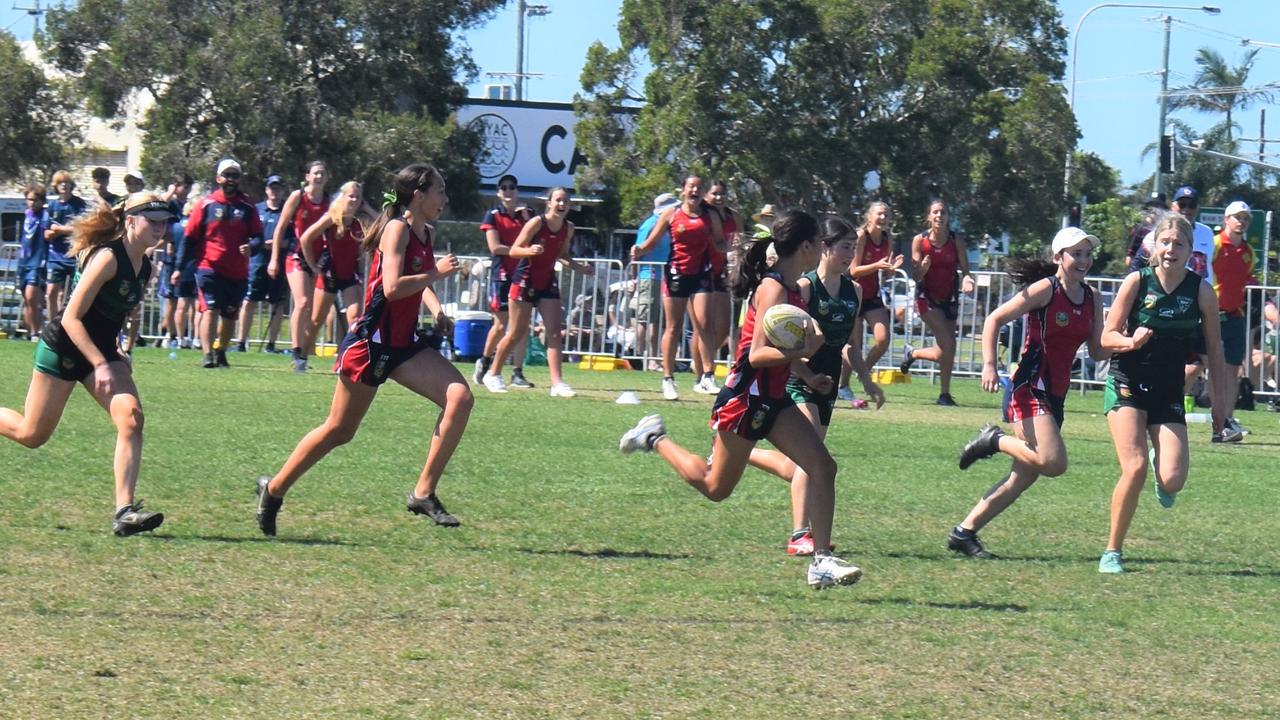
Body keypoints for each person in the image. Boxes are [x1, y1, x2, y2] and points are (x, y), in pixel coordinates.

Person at [619, 210, 863, 589]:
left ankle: (821, 560)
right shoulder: (774, 289)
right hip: (745, 399)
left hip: (775, 396)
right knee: (715, 488)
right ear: (805, 246)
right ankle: (654, 437)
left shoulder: (793, 289)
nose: (822, 248)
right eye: (818, 242)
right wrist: (808, 348)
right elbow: (755, 356)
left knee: (822, 466)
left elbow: (775, 352)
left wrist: (806, 371)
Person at [255, 163, 470, 535]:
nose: (445, 198)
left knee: (460, 398)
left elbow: (417, 281)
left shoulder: (424, 232)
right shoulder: (395, 230)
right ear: (418, 195)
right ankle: (273, 490)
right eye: (440, 191)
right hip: (371, 344)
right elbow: (392, 288)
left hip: (404, 344)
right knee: (339, 430)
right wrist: (436, 274)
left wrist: (436, 310)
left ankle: (423, 492)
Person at [0, 193, 172, 536]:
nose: (159, 227)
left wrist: (117, 350)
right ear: (131, 221)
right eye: (151, 221)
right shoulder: (108, 257)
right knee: (31, 435)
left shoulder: (147, 265)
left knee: (132, 419)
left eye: (164, 222)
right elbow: (71, 319)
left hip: (103, 353)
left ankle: (124, 512)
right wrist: (101, 363)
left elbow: (117, 313)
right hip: (64, 347)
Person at [947, 227, 1108, 558]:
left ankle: (964, 533)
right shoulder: (1046, 290)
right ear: (1058, 258)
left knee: (1023, 477)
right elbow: (994, 320)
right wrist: (989, 364)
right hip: (1030, 386)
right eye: (1075, 253)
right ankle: (994, 440)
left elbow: (1097, 350)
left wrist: (1132, 342)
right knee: (1054, 463)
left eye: (1087, 253)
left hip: (1056, 393)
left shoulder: (1093, 298)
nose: (1083, 260)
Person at [745, 216, 885, 556]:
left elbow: (850, 345)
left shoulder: (853, 290)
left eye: (854, 247)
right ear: (824, 247)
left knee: (803, 462)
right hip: (798, 374)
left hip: (829, 378)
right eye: (845, 247)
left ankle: (742, 453)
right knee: (814, 459)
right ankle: (799, 534)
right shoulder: (804, 288)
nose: (851, 254)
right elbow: (778, 339)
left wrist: (867, 381)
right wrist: (804, 373)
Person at [1098, 213, 1228, 574]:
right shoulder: (1136, 282)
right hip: (1127, 378)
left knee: (1172, 480)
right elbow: (1106, 337)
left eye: (1179, 244)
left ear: (1191, 251)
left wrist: (1220, 404)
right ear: (1155, 246)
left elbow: (1214, 350)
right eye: (1165, 242)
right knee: (1135, 466)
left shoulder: (1200, 291)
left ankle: (1162, 461)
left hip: (1168, 388)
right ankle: (1112, 552)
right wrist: (1129, 340)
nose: (1171, 249)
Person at [482, 187, 595, 396]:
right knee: (516, 332)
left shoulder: (568, 228)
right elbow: (515, 250)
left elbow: (563, 255)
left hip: (547, 282)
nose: (562, 205)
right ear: (549, 203)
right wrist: (529, 250)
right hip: (524, 281)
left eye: (566, 201)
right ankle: (493, 373)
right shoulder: (536, 223)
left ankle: (557, 383)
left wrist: (581, 268)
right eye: (558, 200)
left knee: (554, 332)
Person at [631, 175, 725, 401]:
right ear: (683, 190)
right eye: (691, 186)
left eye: (699, 187)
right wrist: (639, 250)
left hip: (702, 273)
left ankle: (708, 375)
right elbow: (652, 242)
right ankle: (668, 378)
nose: (695, 190)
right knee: (673, 327)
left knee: (704, 323)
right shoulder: (671, 214)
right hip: (676, 274)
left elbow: (720, 242)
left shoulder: (710, 215)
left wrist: (734, 248)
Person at [176, 158, 263, 368]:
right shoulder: (205, 204)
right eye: (227, 175)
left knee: (230, 315)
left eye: (235, 176)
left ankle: (221, 351)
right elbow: (189, 238)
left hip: (237, 271)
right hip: (209, 268)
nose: (230, 180)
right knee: (211, 310)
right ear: (218, 178)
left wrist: (252, 247)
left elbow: (258, 237)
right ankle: (207, 354)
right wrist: (179, 268)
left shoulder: (247, 206)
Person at [900, 199, 975, 406]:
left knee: (946, 350)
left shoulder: (955, 240)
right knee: (949, 343)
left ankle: (913, 353)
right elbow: (915, 275)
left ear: (948, 217)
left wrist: (968, 280)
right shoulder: (920, 241)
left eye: (943, 212)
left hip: (949, 297)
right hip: (926, 298)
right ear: (929, 217)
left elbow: (966, 270)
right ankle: (944, 394)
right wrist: (922, 269)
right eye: (935, 212)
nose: (939, 216)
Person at [473, 174, 536, 388]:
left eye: (512, 187)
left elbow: (535, 236)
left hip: (523, 275)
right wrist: (520, 251)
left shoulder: (527, 215)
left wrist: (527, 218)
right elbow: (495, 247)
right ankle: (485, 359)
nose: (508, 191)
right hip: (502, 275)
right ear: (499, 192)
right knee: (501, 324)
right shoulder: (493, 216)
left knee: (522, 325)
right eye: (504, 188)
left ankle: (517, 372)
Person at [842, 200, 903, 408]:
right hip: (852, 292)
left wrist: (890, 269)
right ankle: (843, 386)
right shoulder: (861, 236)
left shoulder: (887, 238)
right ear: (869, 216)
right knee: (854, 345)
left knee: (883, 339)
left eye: (886, 214)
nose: (883, 218)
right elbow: (853, 270)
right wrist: (877, 265)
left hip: (872, 295)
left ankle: (863, 373)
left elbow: (884, 271)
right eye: (879, 214)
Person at [270, 160, 329, 372]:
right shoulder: (298, 197)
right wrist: (274, 258)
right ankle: (296, 352)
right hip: (296, 256)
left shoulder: (329, 202)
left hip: (318, 259)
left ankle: (304, 353)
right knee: (302, 303)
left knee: (312, 310)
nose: (319, 177)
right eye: (315, 173)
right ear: (307, 176)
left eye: (322, 173)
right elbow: (280, 228)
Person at [1208, 201, 1258, 442]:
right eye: (1237, 217)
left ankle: (1227, 419)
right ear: (1226, 220)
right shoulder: (1215, 245)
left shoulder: (1249, 252)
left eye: (1245, 218)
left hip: (1235, 315)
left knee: (1232, 369)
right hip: (1211, 314)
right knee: (1208, 367)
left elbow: (1248, 279)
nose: (1241, 221)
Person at [299, 180, 368, 353]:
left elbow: (382, 224)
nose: (354, 200)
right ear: (342, 197)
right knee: (316, 320)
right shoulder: (332, 217)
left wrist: (367, 208)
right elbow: (306, 238)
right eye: (351, 196)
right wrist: (312, 266)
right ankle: (301, 356)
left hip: (350, 274)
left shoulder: (360, 221)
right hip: (330, 273)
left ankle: (349, 358)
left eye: (358, 197)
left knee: (355, 317)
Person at [694, 180, 740, 394]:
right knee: (702, 326)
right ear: (706, 195)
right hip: (702, 270)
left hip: (723, 272)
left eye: (723, 193)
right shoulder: (702, 216)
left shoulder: (733, 216)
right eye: (715, 194)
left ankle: (705, 364)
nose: (719, 198)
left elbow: (739, 242)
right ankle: (703, 374)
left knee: (722, 328)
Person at [235, 174, 290, 352]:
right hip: (256, 263)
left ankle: (271, 344)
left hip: (279, 264)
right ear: (266, 190)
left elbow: (292, 240)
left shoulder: (288, 212)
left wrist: (275, 244)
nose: (275, 191)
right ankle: (241, 343)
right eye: (272, 188)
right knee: (249, 300)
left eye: (278, 188)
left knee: (277, 303)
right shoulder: (256, 210)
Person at [631, 192, 679, 371]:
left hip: (664, 276)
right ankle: (640, 356)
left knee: (657, 320)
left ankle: (653, 357)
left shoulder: (667, 225)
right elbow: (637, 250)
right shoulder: (650, 225)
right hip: (649, 276)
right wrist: (633, 278)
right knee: (646, 319)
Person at [44, 170, 89, 316]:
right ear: (55, 186)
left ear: (71, 185)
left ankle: (67, 323)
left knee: (72, 295)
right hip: (55, 257)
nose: (63, 185)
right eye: (60, 183)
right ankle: (52, 325)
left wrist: (60, 229)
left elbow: (80, 228)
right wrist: (56, 231)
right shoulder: (51, 205)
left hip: (74, 256)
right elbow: (47, 233)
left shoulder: (79, 204)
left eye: (66, 182)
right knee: (51, 293)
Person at [18, 184, 50, 339]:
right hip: (23, 261)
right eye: (29, 199)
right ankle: (29, 333)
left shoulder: (44, 215)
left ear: (41, 201)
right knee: (26, 299)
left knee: (32, 298)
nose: (31, 203)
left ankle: (36, 332)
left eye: (35, 200)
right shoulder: (26, 215)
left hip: (37, 262)